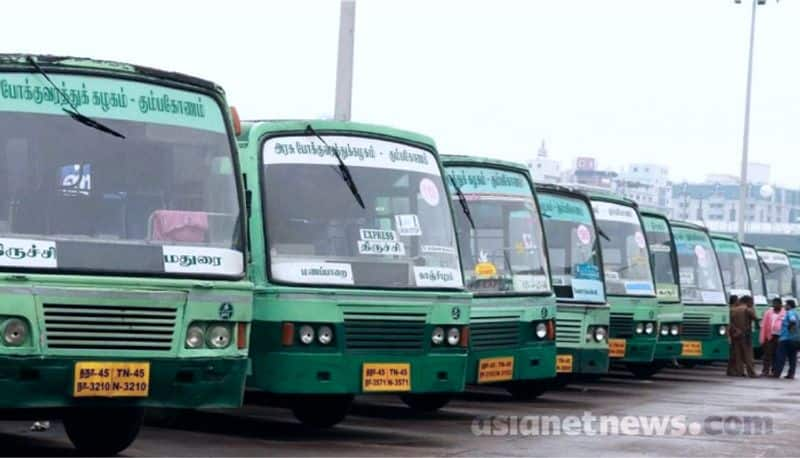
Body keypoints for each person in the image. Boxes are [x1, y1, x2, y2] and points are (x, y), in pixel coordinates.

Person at [729, 295, 757, 377]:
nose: (752, 304)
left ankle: (740, 372)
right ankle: (751, 372)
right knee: (748, 354)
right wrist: (752, 309)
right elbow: (755, 318)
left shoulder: (733, 310)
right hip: (746, 335)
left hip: (736, 335)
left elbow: (730, 323)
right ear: (748, 302)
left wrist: (736, 330)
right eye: (752, 302)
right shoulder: (747, 309)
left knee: (738, 354)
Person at [774, 300, 799, 379]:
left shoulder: (790, 312)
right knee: (792, 357)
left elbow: (792, 321)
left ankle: (777, 373)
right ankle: (791, 374)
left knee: (780, 356)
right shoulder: (798, 313)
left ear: (789, 305)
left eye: (786, 305)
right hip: (796, 339)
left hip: (786, 338)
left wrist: (790, 331)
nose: (784, 306)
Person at [760, 297, 785, 376]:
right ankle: (765, 371)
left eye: (776, 304)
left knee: (777, 355)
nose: (774, 305)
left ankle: (775, 371)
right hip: (770, 336)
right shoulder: (768, 313)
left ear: (780, 304)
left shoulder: (785, 313)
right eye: (773, 303)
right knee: (767, 354)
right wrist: (762, 338)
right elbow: (764, 325)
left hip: (780, 337)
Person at [726, 295, 740, 376]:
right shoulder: (731, 310)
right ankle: (731, 370)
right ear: (735, 301)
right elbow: (730, 323)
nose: (739, 302)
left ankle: (731, 370)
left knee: (733, 353)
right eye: (737, 300)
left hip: (732, 333)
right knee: (732, 353)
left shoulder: (731, 309)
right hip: (732, 334)